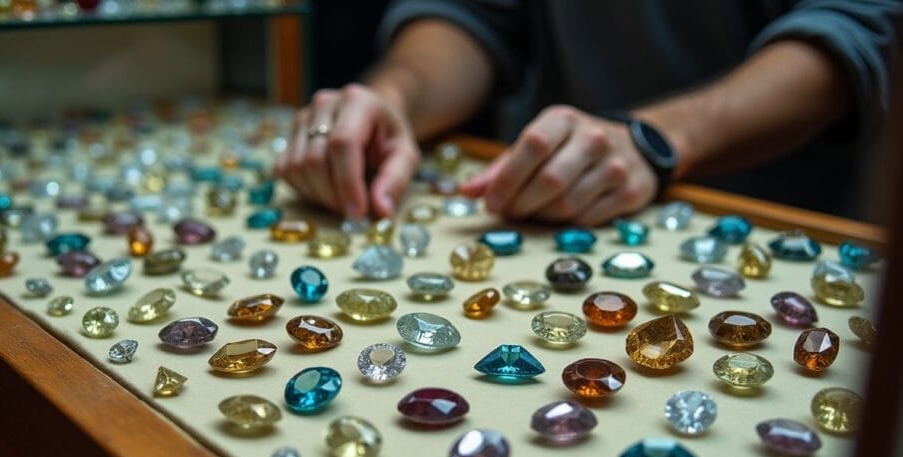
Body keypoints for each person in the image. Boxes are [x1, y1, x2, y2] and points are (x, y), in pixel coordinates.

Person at [275, 1, 902, 224]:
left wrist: (655, 141)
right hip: (554, 203)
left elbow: (857, 30)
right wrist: (396, 96)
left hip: (775, 226)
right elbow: (473, 15)